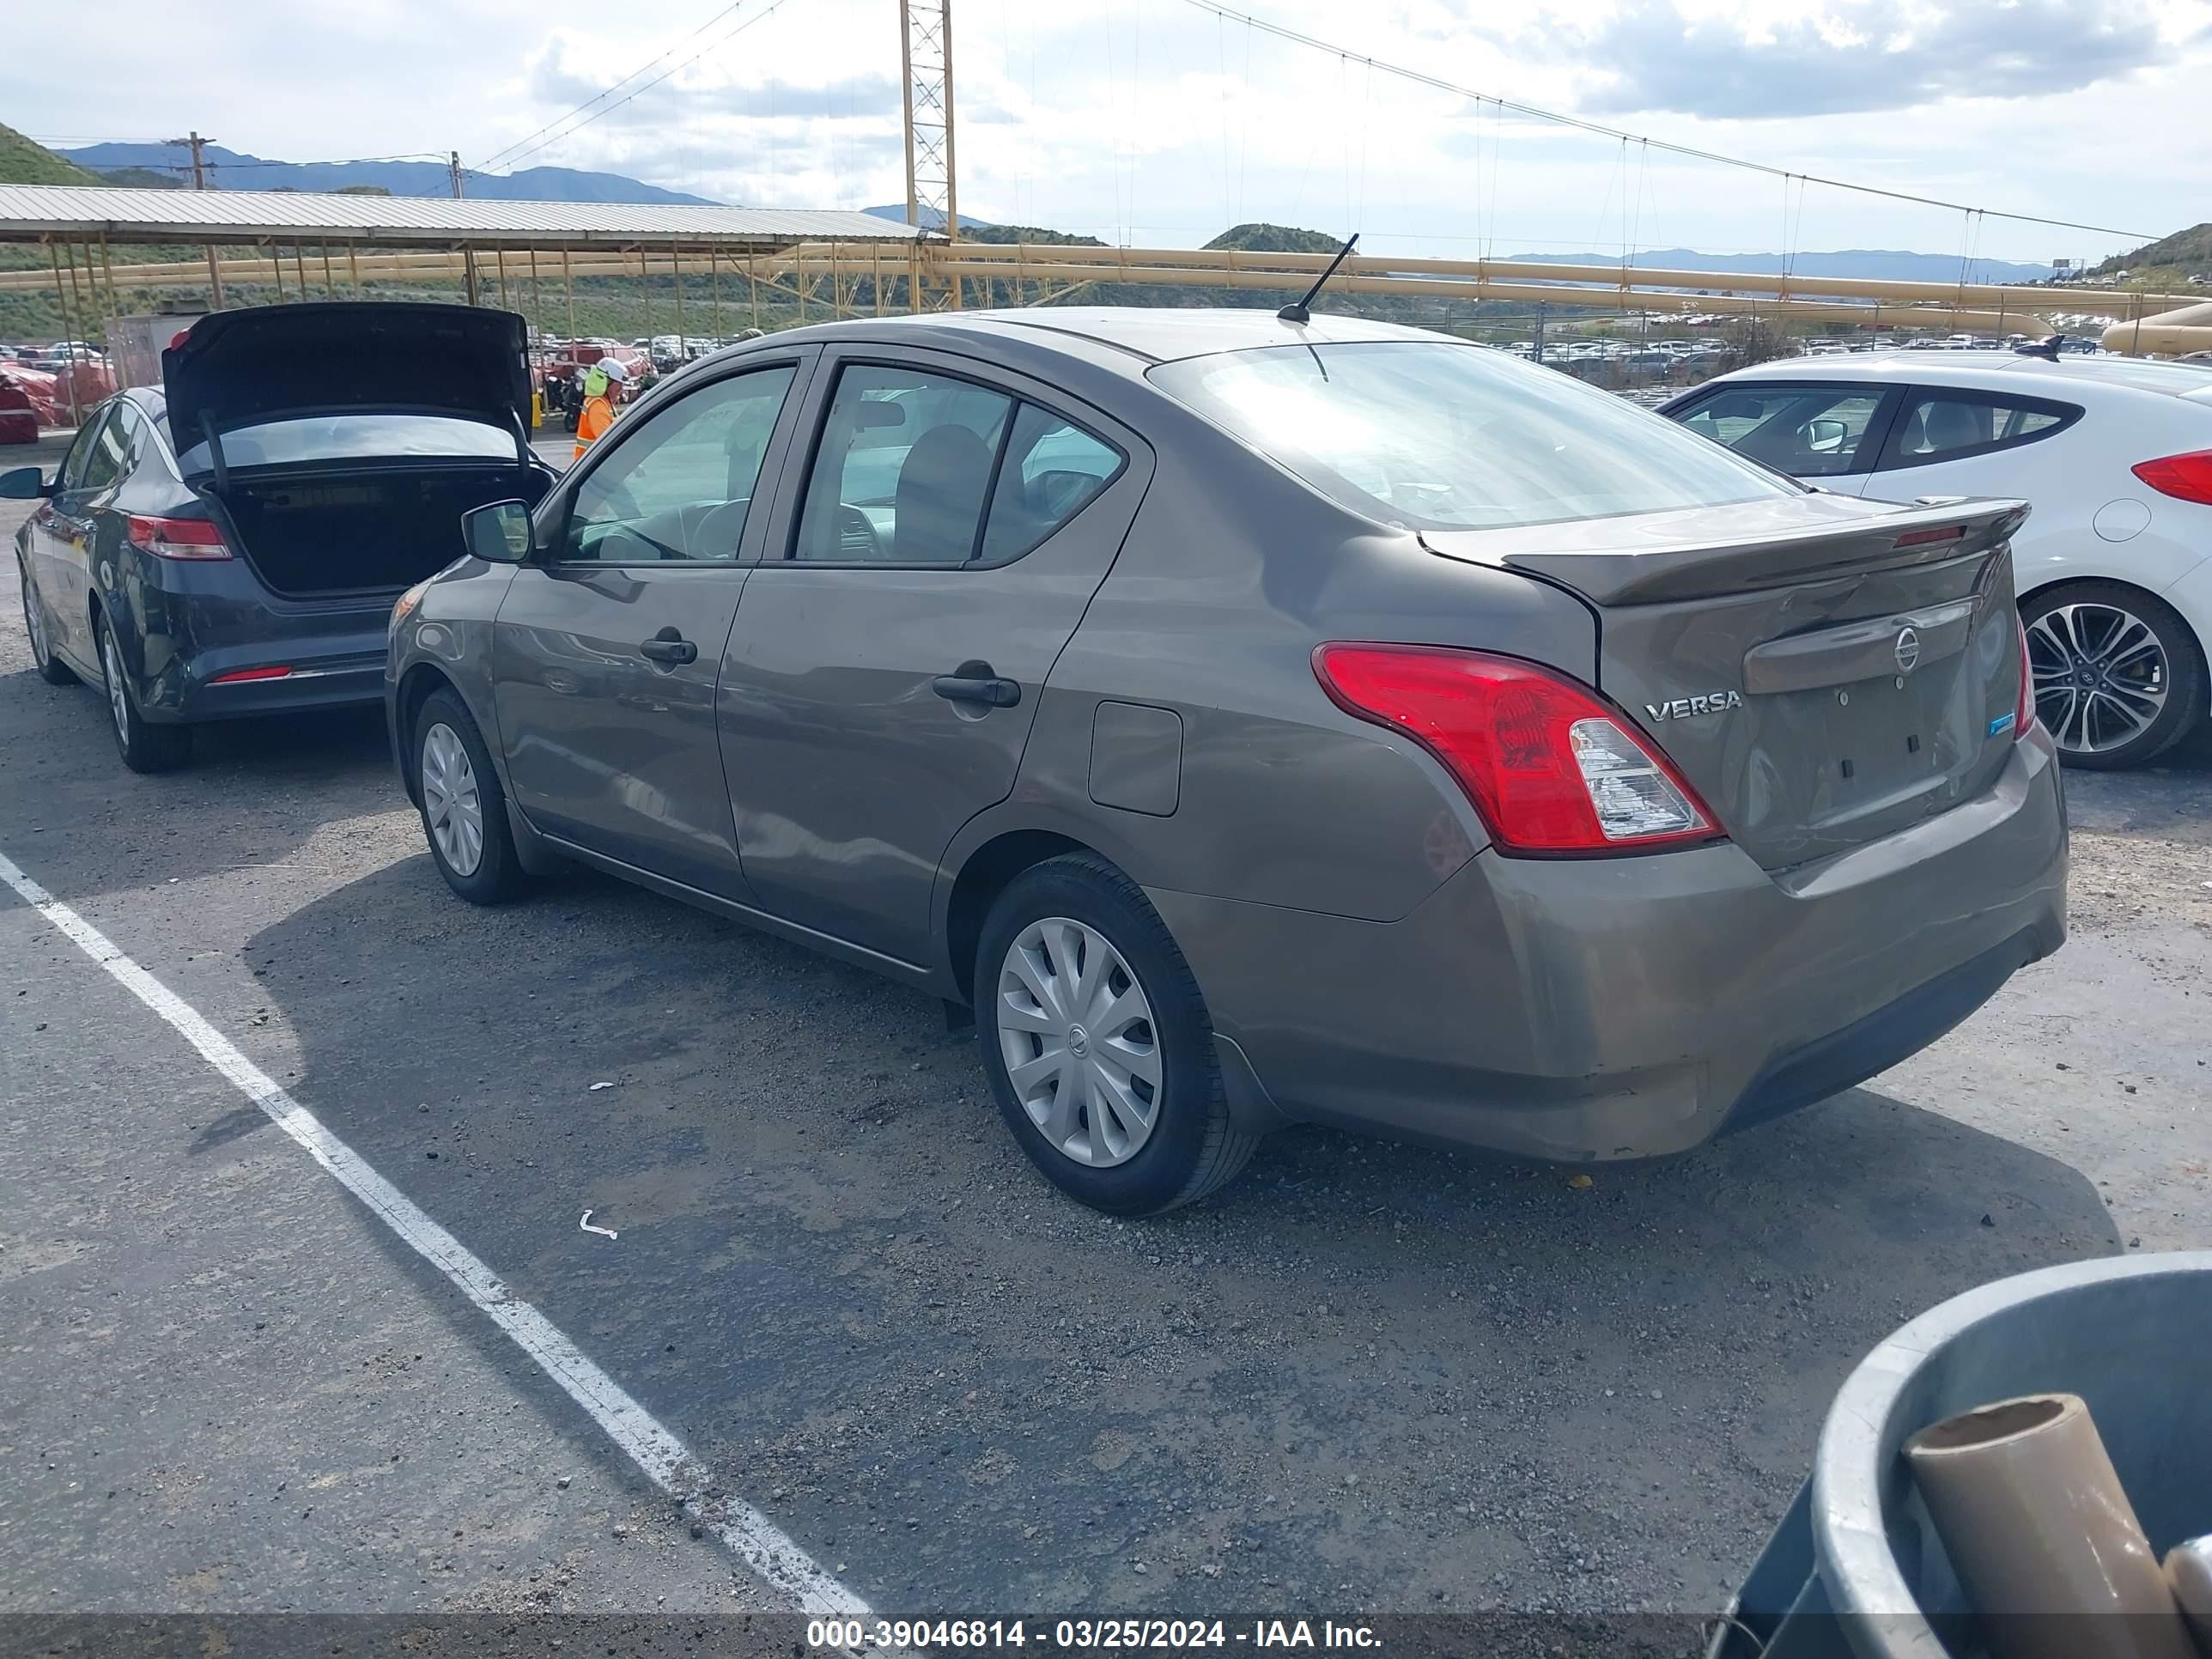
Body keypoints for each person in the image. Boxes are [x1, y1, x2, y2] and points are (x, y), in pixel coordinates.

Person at [572, 356, 629, 463]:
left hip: (594, 464)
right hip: (593, 466)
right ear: (607, 382)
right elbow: (608, 441)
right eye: (619, 384)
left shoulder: (604, 403)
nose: (621, 389)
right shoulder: (597, 405)